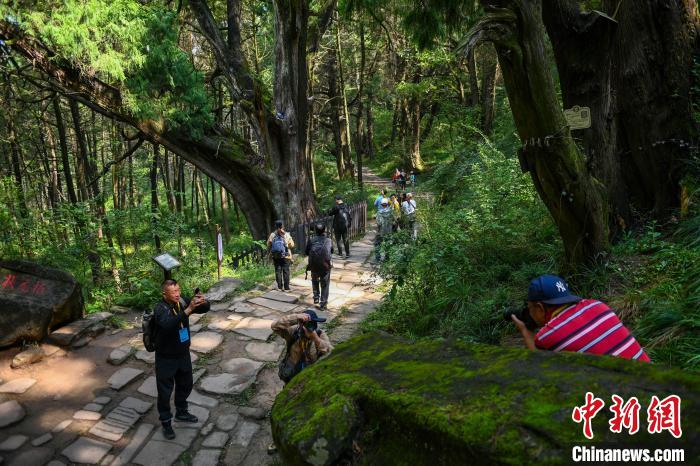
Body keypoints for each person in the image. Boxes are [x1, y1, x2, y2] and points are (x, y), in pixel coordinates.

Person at [511, 275, 651, 362]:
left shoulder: (547, 335)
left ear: (540, 308)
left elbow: (540, 364)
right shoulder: (597, 305)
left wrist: (525, 331)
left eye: (530, 308)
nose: (529, 313)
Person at [153, 279, 210, 440]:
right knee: (165, 392)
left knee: (186, 384)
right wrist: (188, 310)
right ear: (164, 293)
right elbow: (167, 325)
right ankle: (166, 422)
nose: (178, 294)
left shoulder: (182, 301)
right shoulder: (160, 308)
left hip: (183, 353)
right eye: (173, 292)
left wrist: (202, 301)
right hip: (166, 357)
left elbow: (204, 309)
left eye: (178, 290)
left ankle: (182, 412)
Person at [272, 309, 333, 383]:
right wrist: (296, 317)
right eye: (308, 324)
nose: (310, 327)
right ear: (301, 324)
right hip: (292, 370)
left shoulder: (319, 334)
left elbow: (331, 352)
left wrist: (316, 339)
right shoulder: (294, 331)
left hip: (309, 373)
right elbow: (275, 326)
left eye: (313, 324)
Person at [305, 223, 333, 310]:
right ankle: (323, 304)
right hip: (325, 266)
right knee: (325, 284)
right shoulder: (328, 240)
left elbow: (306, 252)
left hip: (314, 265)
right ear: (324, 230)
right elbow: (332, 251)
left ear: (315, 231)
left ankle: (316, 297)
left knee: (314, 280)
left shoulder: (311, 240)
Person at [267, 220, 295, 291]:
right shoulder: (286, 234)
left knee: (278, 271)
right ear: (282, 226)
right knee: (286, 271)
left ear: (276, 226)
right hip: (286, 256)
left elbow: (268, 244)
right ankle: (286, 288)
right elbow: (292, 245)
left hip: (276, 256)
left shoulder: (273, 234)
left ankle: (279, 287)